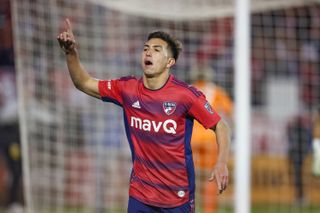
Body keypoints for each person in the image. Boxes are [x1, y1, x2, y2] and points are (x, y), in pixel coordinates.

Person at [57, 19, 230, 212]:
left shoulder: (185, 95)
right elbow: (83, 82)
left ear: (169, 62)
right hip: (140, 195)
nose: (148, 52)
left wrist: (222, 162)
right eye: (146, 48)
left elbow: (221, 126)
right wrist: (70, 53)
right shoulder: (127, 89)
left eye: (157, 50)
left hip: (177, 197)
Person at [190, 63, 233, 213]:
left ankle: (188, 208)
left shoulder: (190, 90)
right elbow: (229, 112)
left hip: (191, 140)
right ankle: (209, 210)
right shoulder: (216, 91)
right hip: (210, 140)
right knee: (211, 177)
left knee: (189, 177)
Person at [312, 106, 320, 176]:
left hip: (317, 140)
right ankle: (317, 173)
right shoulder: (316, 119)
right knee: (317, 157)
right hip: (317, 141)